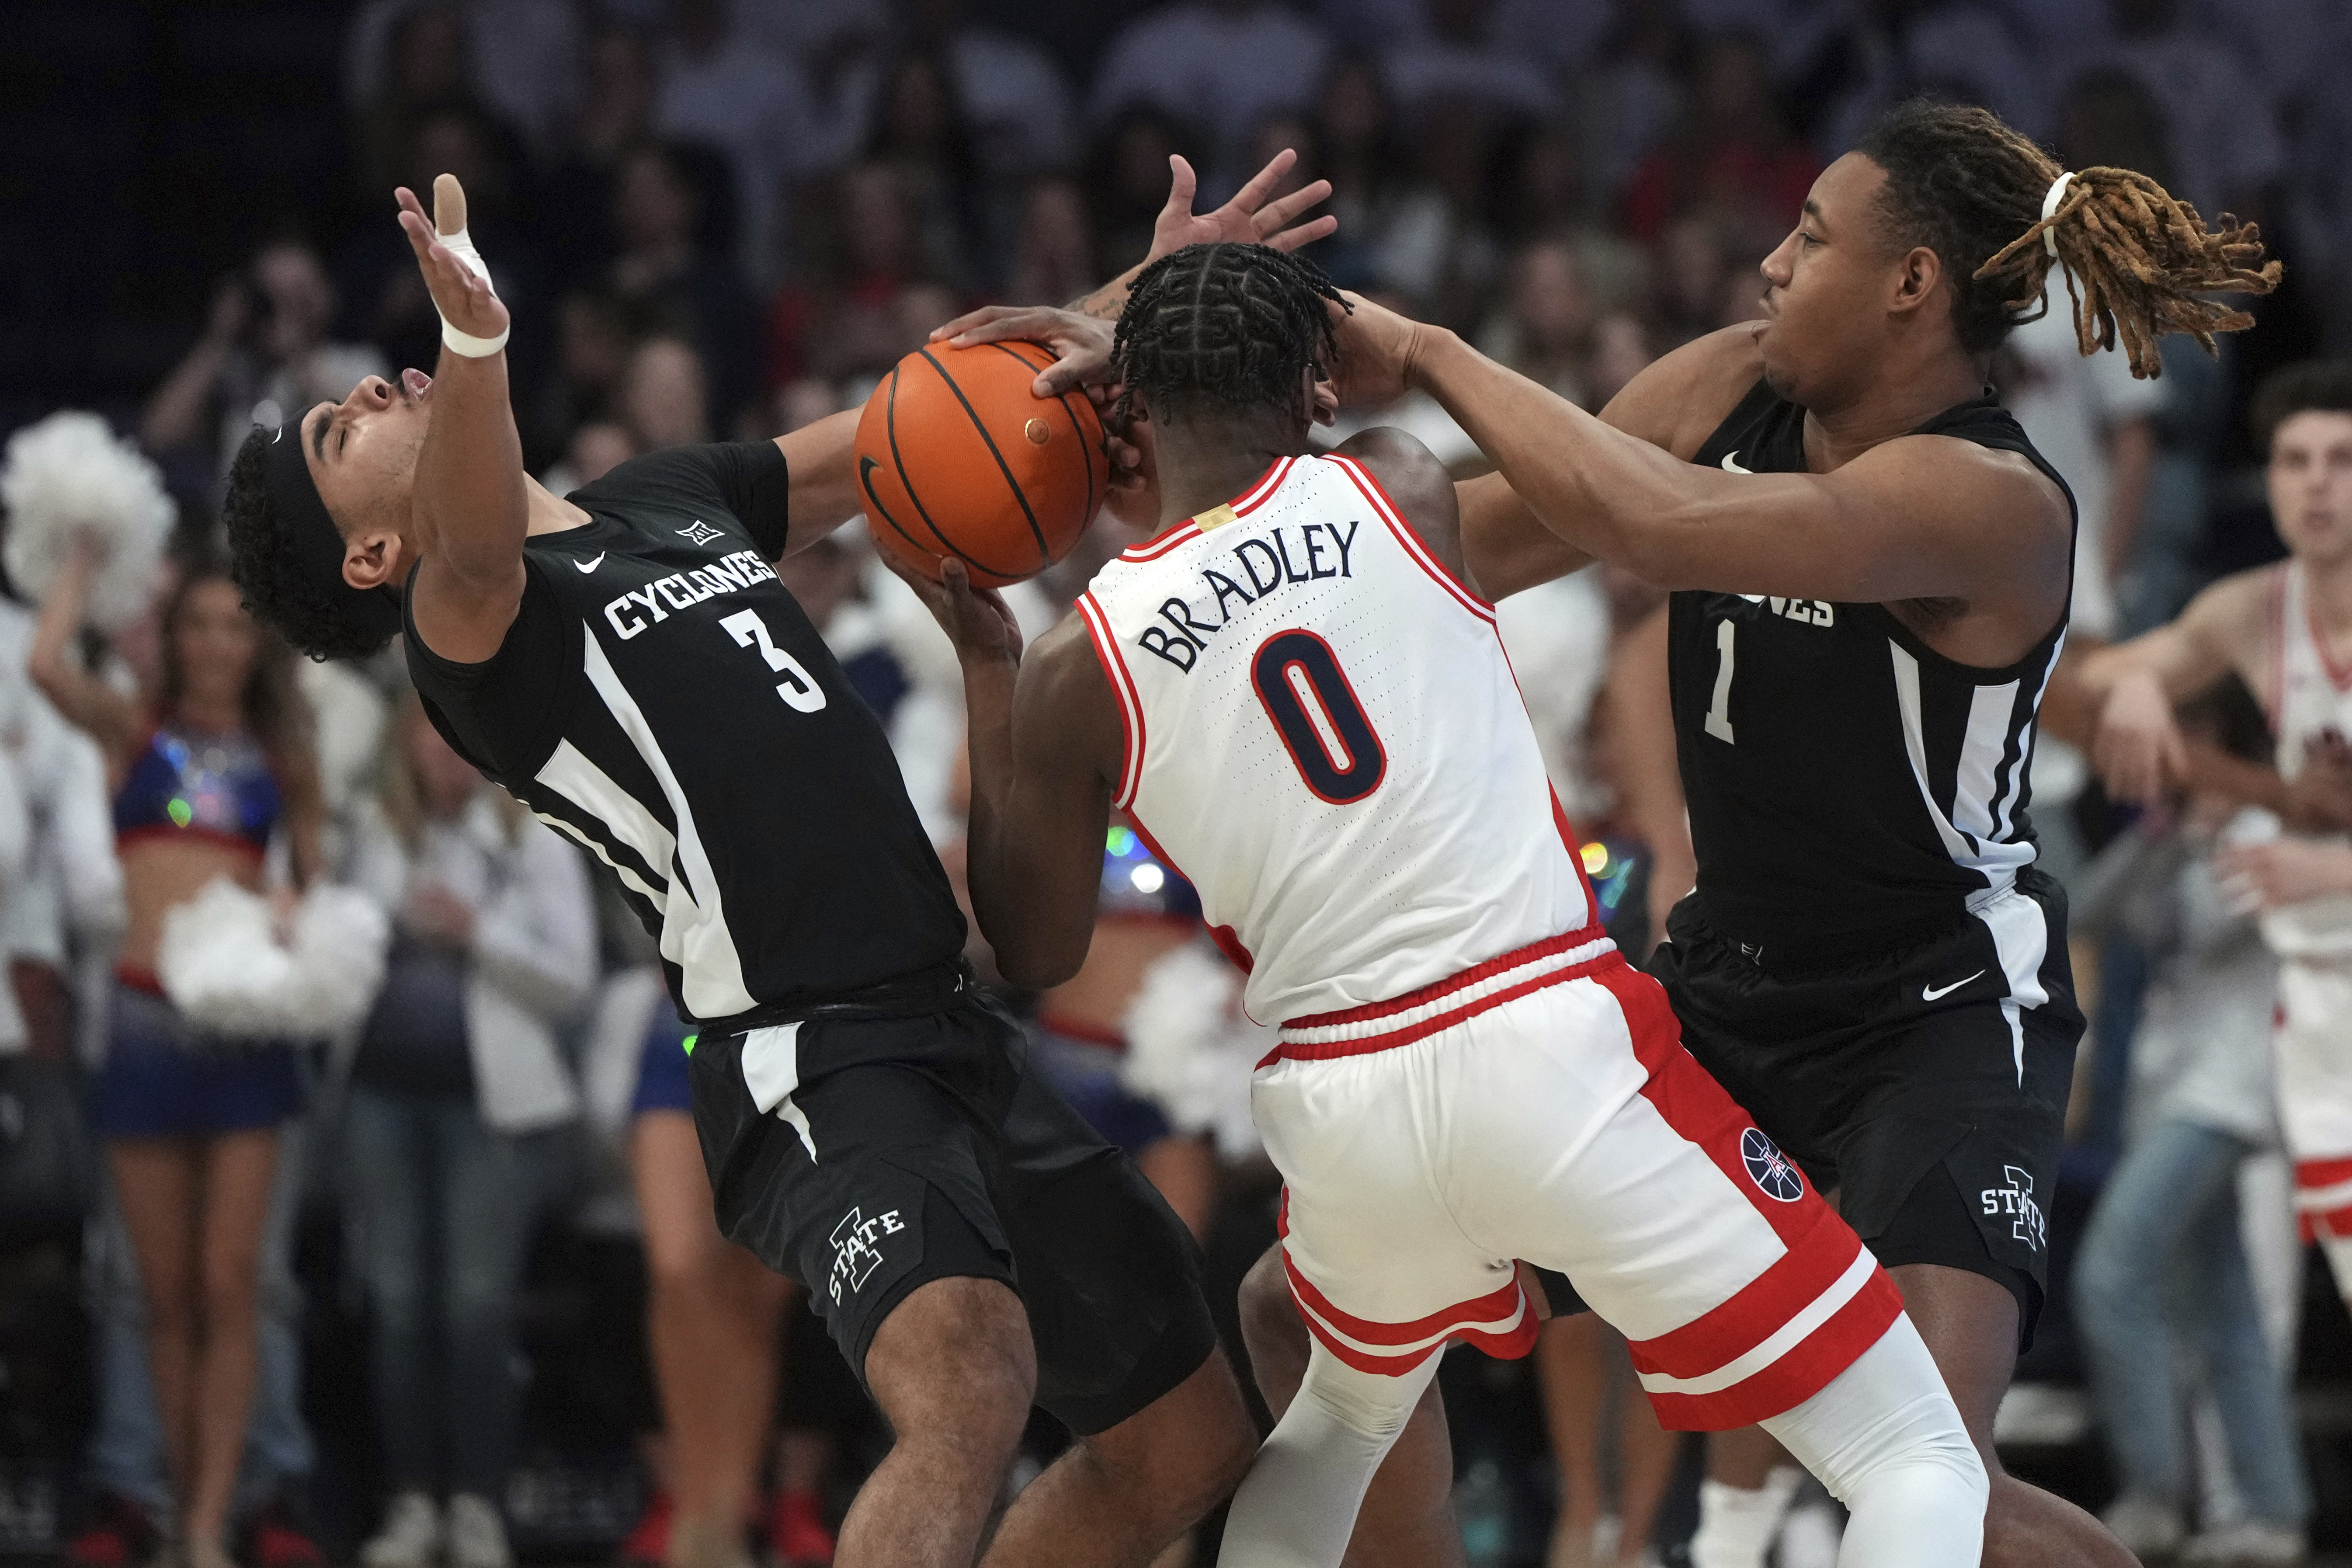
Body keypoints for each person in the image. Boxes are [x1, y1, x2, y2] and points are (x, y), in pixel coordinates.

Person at [212, 160, 1326, 1568]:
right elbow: (482, 532)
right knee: (967, 1378)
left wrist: (1154, 300)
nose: (369, 394)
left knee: (1188, 1445)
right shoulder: (465, 628)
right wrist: (477, 338)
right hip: (804, 1053)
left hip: (948, 1024)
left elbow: (909, 423)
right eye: (336, 431)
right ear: (371, 552)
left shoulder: (663, 496)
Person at [1253, 97, 2277, 1568]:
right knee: (1301, 1311)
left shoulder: (1991, 499)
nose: (1772, 269)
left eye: (1811, 238)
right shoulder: (1728, 383)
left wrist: (1422, 354)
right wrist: (1234, 499)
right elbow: (1482, 542)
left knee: (1931, 1474)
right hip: (1725, 989)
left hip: (1934, 1003)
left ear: (1913, 284)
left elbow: (1661, 529)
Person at [901, 240, 1987, 1568]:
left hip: (1342, 1113)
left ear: (1128, 418)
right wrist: (1372, 348)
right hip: (1544, 1043)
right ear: (1314, 387)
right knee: (1912, 1454)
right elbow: (1541, 469)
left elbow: (1034, 942)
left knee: (1340, 1419)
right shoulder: (1398, 484)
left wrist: (992, 672)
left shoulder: (1082, 658)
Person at [29, 550, 325, 1568]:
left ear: (257, 646)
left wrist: (296, 916)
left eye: (231, 627)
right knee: (163, 1297)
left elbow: (323, 890)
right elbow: (41, 667)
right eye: (195, 625)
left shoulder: (285, 757)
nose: (212, 644)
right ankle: (169, 1512)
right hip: (146, 1034)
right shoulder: (136, 735)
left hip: (245, 1039)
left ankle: (206, 1525)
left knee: (231, 1282)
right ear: (175, 637)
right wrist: (83, 552)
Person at [2074, 362, 2352, 1302]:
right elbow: (2081, 684)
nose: (2316, 483)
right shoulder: (2251, 613)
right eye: (2295, 461)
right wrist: (2149, 682)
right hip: (2316, 1015)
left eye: (2342, 461)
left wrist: (2329, 870)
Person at [343, 695, 598, 1568]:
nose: (443, 752)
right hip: (381, 1098)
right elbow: (329, 947)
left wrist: (477, 930)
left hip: (493, 1111)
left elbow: (573, 976)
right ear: (403, 741)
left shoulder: (534, 831)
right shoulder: (367, 831)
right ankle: (413, 1502)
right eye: (427, 730)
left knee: (475, 1306)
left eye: (460, 734)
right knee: (399, 1303)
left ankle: (481, 1504)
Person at [2067, 681, 2310, 1566]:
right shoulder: (2168, 839)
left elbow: (2212, 930)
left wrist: (2206, 824)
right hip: (2167, 1089)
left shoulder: (2259, 834)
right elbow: (2085, 914)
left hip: (2230, 1091)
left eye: (2192, 736)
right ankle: (2273, 1513)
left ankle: (2156, 1493)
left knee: (2112, 1271)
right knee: (2228, 1308)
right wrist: (2158, 832)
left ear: (2224, 742)